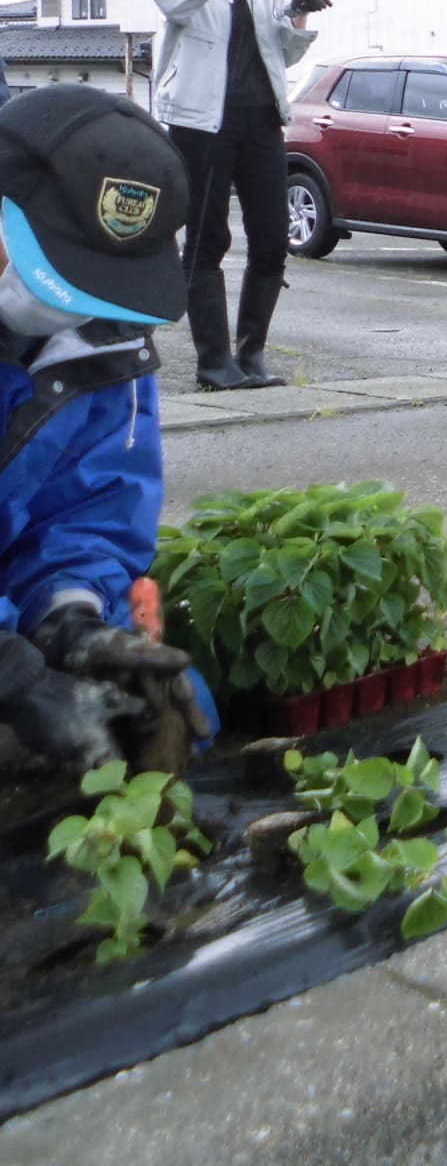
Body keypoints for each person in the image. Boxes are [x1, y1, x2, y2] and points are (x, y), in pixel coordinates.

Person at [0, 87, 216, 775]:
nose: (72, 314)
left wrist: (74, 625)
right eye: (56, 278)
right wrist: (20, 679)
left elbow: (92, 512)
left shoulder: (105, 344)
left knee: (161, 706)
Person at [148, 0, 331, 391]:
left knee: (273, 239)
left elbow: (284, 49)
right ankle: (214, 363)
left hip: (261, 118)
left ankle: (251, 355)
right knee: (206, 239)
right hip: (200, 120)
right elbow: (178, 0)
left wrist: (299, 10)